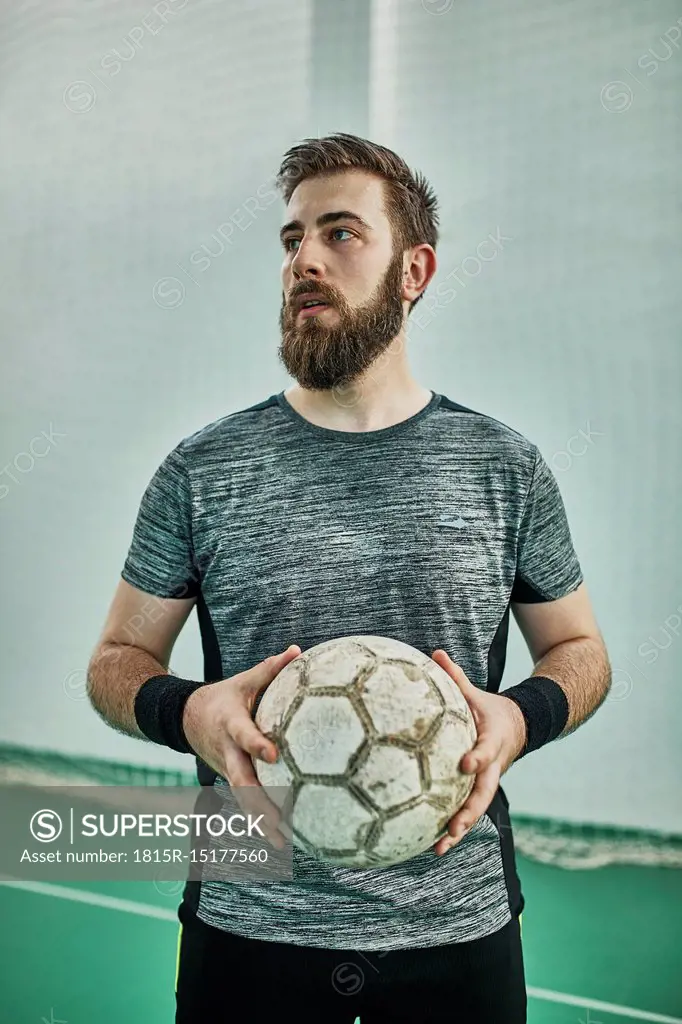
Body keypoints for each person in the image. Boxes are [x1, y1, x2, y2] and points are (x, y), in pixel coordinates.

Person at [87, 132, 611, 1023]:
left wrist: (523, 715)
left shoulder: (505, 468)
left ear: (415, 270)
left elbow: (580, 649)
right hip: (249, 923)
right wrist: (190, 712)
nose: (304, 262)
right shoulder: (202, 469)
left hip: (457, 929)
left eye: (340, 234)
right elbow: (115, 661)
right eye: (292, 240)